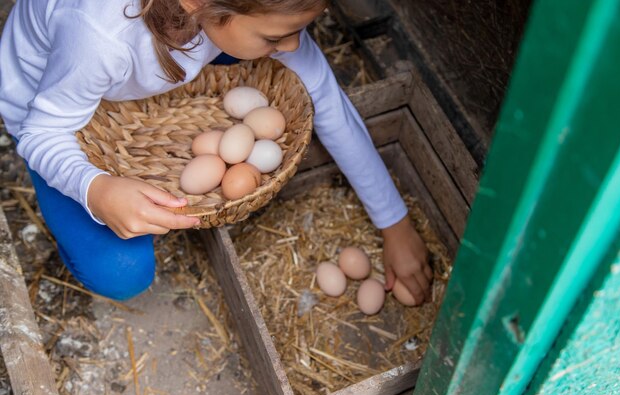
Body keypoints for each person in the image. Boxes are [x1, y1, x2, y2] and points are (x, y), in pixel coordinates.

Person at [0, 0, 432, 303]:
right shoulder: (100, 36)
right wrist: (94, 189)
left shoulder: (235, 13)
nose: (296, 45)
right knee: (120, 273)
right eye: (278, 35)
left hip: (155, 51)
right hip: (47, 107)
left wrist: (394, 222)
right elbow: (43, 132)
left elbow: (324, 97)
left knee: (270, 59)